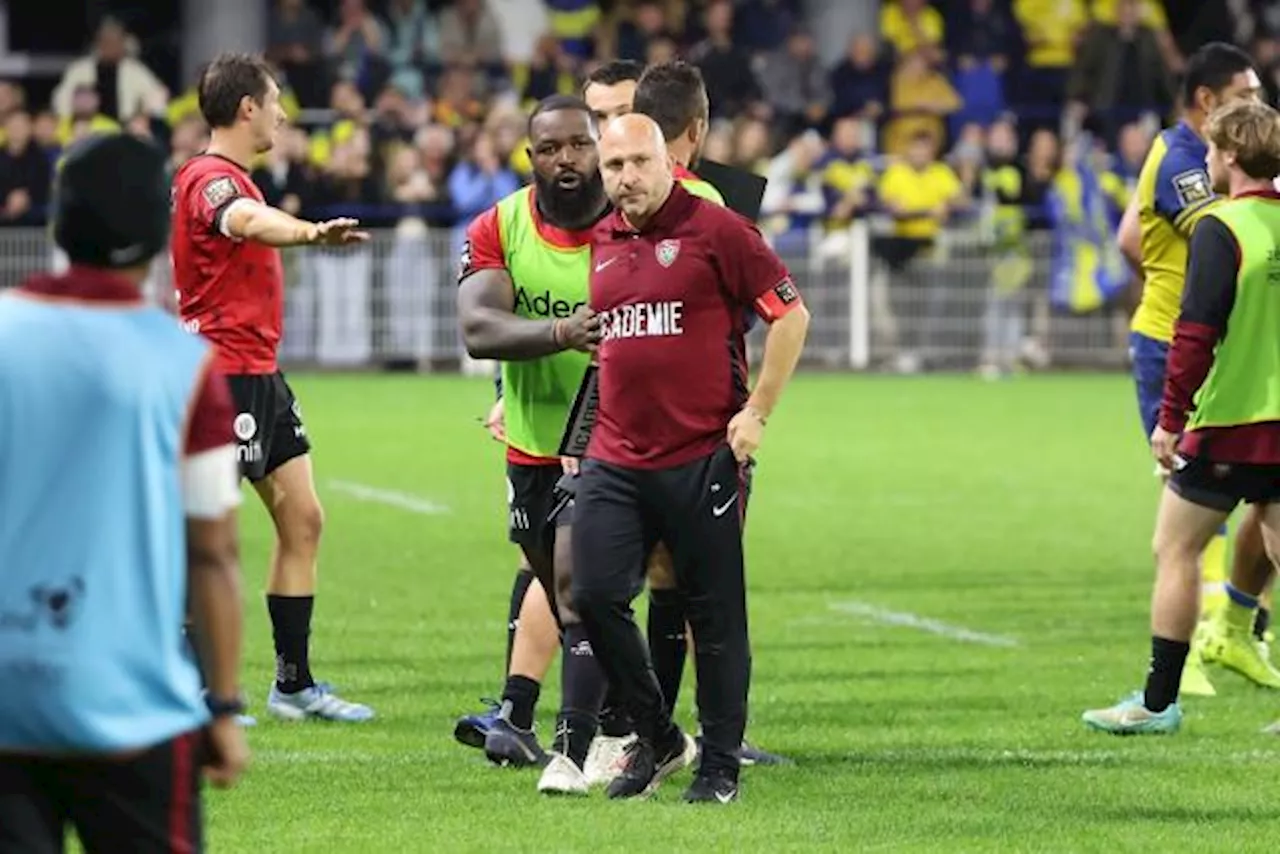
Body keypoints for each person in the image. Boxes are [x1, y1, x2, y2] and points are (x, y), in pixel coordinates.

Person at [0, 133, 248, 853]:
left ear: (59, 223)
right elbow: (214, 553)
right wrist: (225, 708)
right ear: (155, 235)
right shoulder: (185, 365)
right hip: (131, 703)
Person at [574, 113, 810, 803]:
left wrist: (757, 413)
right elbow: (614, 347)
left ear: (666, 162)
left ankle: (719, 767)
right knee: (590, 593)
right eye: (613, 167)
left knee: (711, 615)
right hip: (615, 457)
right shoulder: (603, 240)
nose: (625, 179)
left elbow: (791, 316)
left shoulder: (719, 231)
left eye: (638, 163)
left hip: (701, 456)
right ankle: (661, 736)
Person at [171, 52, 374, 722]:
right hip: (219, 377)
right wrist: (312, 233)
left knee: (304, 519)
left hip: (259, 375)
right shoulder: (210, 179)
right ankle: (194, 693)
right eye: (276, 98)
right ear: (247, 107)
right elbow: (247, 224)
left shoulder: (237, 179)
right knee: (206, 539)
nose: (285, 111)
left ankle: (292, 683)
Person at [1084, 99, 1280, 734]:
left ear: (1226, 156)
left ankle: (1158, 702)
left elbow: (1194, 333)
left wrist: (1170, 419)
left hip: (1230, 420)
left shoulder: (1224, 228)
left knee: (1175, 547)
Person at [456, 95, 610, 785]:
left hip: (612, 443)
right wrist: (560, 333)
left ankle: (574, 751)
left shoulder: (630, 224)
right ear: (531, 157)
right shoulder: (499, 226)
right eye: (551, 149)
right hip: (530, 443)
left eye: (579, 145)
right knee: (555, 585)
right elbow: (478, 328)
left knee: (582, 590)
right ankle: (639, 725)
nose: (566, 159)